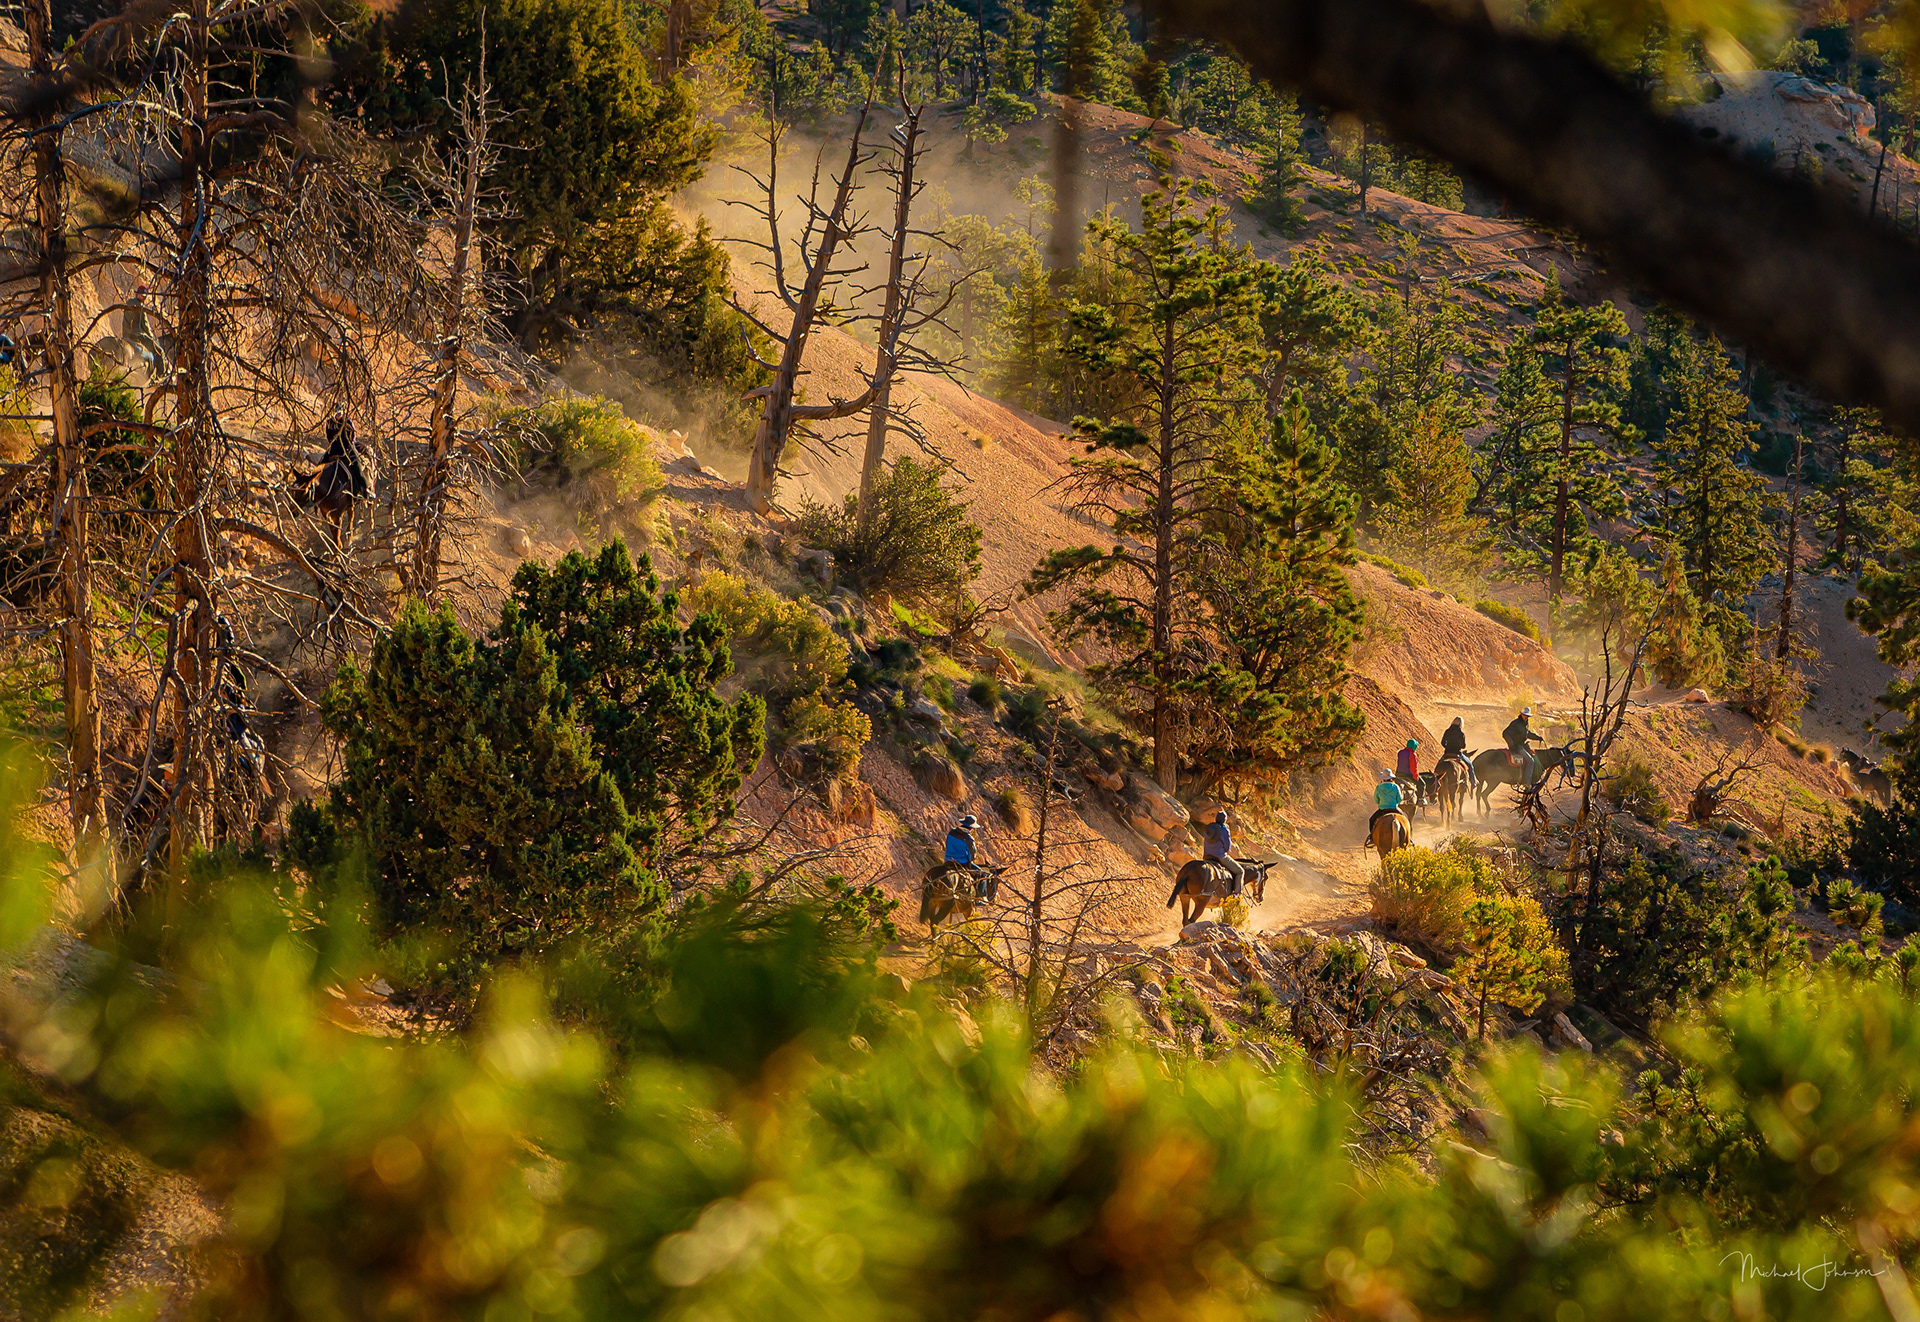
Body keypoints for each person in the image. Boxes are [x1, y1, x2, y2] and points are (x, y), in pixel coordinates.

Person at [944, 814, 993, 897]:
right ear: (971, 828)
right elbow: (972, 855)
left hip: (948, 860)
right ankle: (981, 897)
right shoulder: (968, 838)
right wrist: (970, 861)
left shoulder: (951, 832)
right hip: (962, 863)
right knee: (983, 874)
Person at [1201, 809, 1244, 895]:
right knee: (1240, 871)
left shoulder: (1209, 827)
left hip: (1206, 855)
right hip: (1220, 856)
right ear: (1224, 820)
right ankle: (1236, 894)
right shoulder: (1224, 829)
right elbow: (1227, 846)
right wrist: (1225, 852)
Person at [1502, 707, 1545, 781]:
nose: (1526, 716)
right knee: (1531, 761)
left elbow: (1528, 734)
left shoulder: (1525, 724)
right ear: (1521, 714)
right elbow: (1505, 733)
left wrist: (1538, 737)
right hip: (1518, 747)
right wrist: (1511, 744)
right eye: (1525, 715)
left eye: (1527, 715)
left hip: (1521, 746)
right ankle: (1527, 782)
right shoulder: (1515, 723)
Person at [1367, 769, 1405, 843]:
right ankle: (1409, 838)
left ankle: (1372, 839)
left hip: (1382, 810)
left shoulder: (1378, 787)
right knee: (1405, 819)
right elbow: (1399, 799)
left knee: (1371, 820)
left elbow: (1376, 800)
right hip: (1394, 809)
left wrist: (1382, 802)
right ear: (1391, 778)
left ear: (1383, 778)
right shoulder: (1396, 787)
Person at [1440, 716, 1476, 786]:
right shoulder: (1461, 734)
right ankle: (1473, 781)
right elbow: (1463, 746)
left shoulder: (1447, 731)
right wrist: (1458, 746)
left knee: (1439, 764)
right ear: (1461, 724)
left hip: (1447, 753)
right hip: (1457, 754)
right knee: (1470, 765)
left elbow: (1442, 742)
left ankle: (1434, 778)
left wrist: (1447, 747)